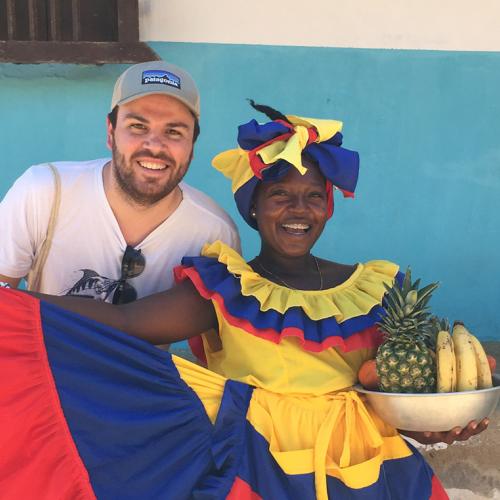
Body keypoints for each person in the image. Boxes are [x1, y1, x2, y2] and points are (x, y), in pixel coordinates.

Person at [0, 104, 487, 499]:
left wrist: (436, 426)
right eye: (279, 194)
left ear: (328, 207)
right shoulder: (225, 286)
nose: (298, 210)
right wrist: (13, 307)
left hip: (367, 472)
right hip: (252, 465)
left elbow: (397, 390)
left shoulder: (375, 288)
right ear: (253, 205)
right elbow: (124, 322)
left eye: (314, 196)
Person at [0, 60, 239, 303]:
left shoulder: (214, 234)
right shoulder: (44, 192)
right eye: (137, 126)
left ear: (192, 146)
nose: (154, 146)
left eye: (174, 132)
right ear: (110, 132)